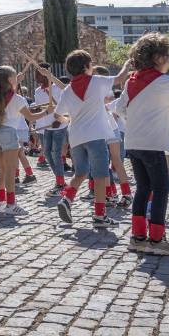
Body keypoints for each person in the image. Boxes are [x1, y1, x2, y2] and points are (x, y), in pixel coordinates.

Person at [113, 32, 169, 254]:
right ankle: (157, 240)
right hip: (152, 143)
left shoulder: (131, 81)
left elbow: (119, 109)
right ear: (158, 57)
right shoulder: (166, 83)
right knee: (161, 188)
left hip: (133, 141)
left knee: (143, 189)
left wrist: (138, 117)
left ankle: (138, 237)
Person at [46, 51, 117, 228]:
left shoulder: (68, 90)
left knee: (81, 173)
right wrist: (128, 64)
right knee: (101, 175)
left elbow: (57, 115)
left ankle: (67, 198)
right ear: (86, 66)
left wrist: (68, 120)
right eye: (91, 64)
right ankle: (100, 216)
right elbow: (120, 78)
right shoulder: (97, 80)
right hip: (96, 135)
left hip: (76, 136)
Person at [0, 65, 37, 215]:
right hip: (9, 133)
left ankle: (1, 203)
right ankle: (11, 204)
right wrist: (48, 112)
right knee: (10, 172)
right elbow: (31, 117)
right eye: (14, 77)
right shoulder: (18, 98)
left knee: (1, 171)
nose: (17, 79)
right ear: (9, 80)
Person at [34, 66, 69, 198]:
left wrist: (60, 119)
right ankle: (60, 180)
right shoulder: (37, 91)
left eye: (43, 74)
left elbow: (66, 100)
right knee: (47, 153)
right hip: (45, 126)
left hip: (59, 125)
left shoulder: (57, 88)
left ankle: (60, 183)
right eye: (38, 74)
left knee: (56, 153)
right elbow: (40, 109)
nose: (39, 77)